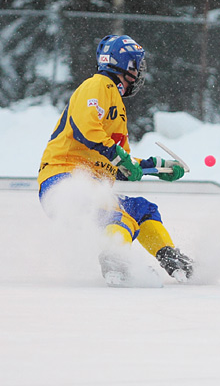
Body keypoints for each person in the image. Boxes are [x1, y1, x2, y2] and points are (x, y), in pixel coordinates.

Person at [38, 35, 193, 287]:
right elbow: (85, 130)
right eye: (136, 65)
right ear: (120, 63)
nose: (139, 72)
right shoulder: (97, 85)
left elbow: (121, 166)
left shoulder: (117, 108)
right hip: (63, 181)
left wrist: (157, 166)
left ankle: (170, 258)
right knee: (117, 214)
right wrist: (121, 157)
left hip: (92, 188)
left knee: (143, 210)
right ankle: (115, 260)